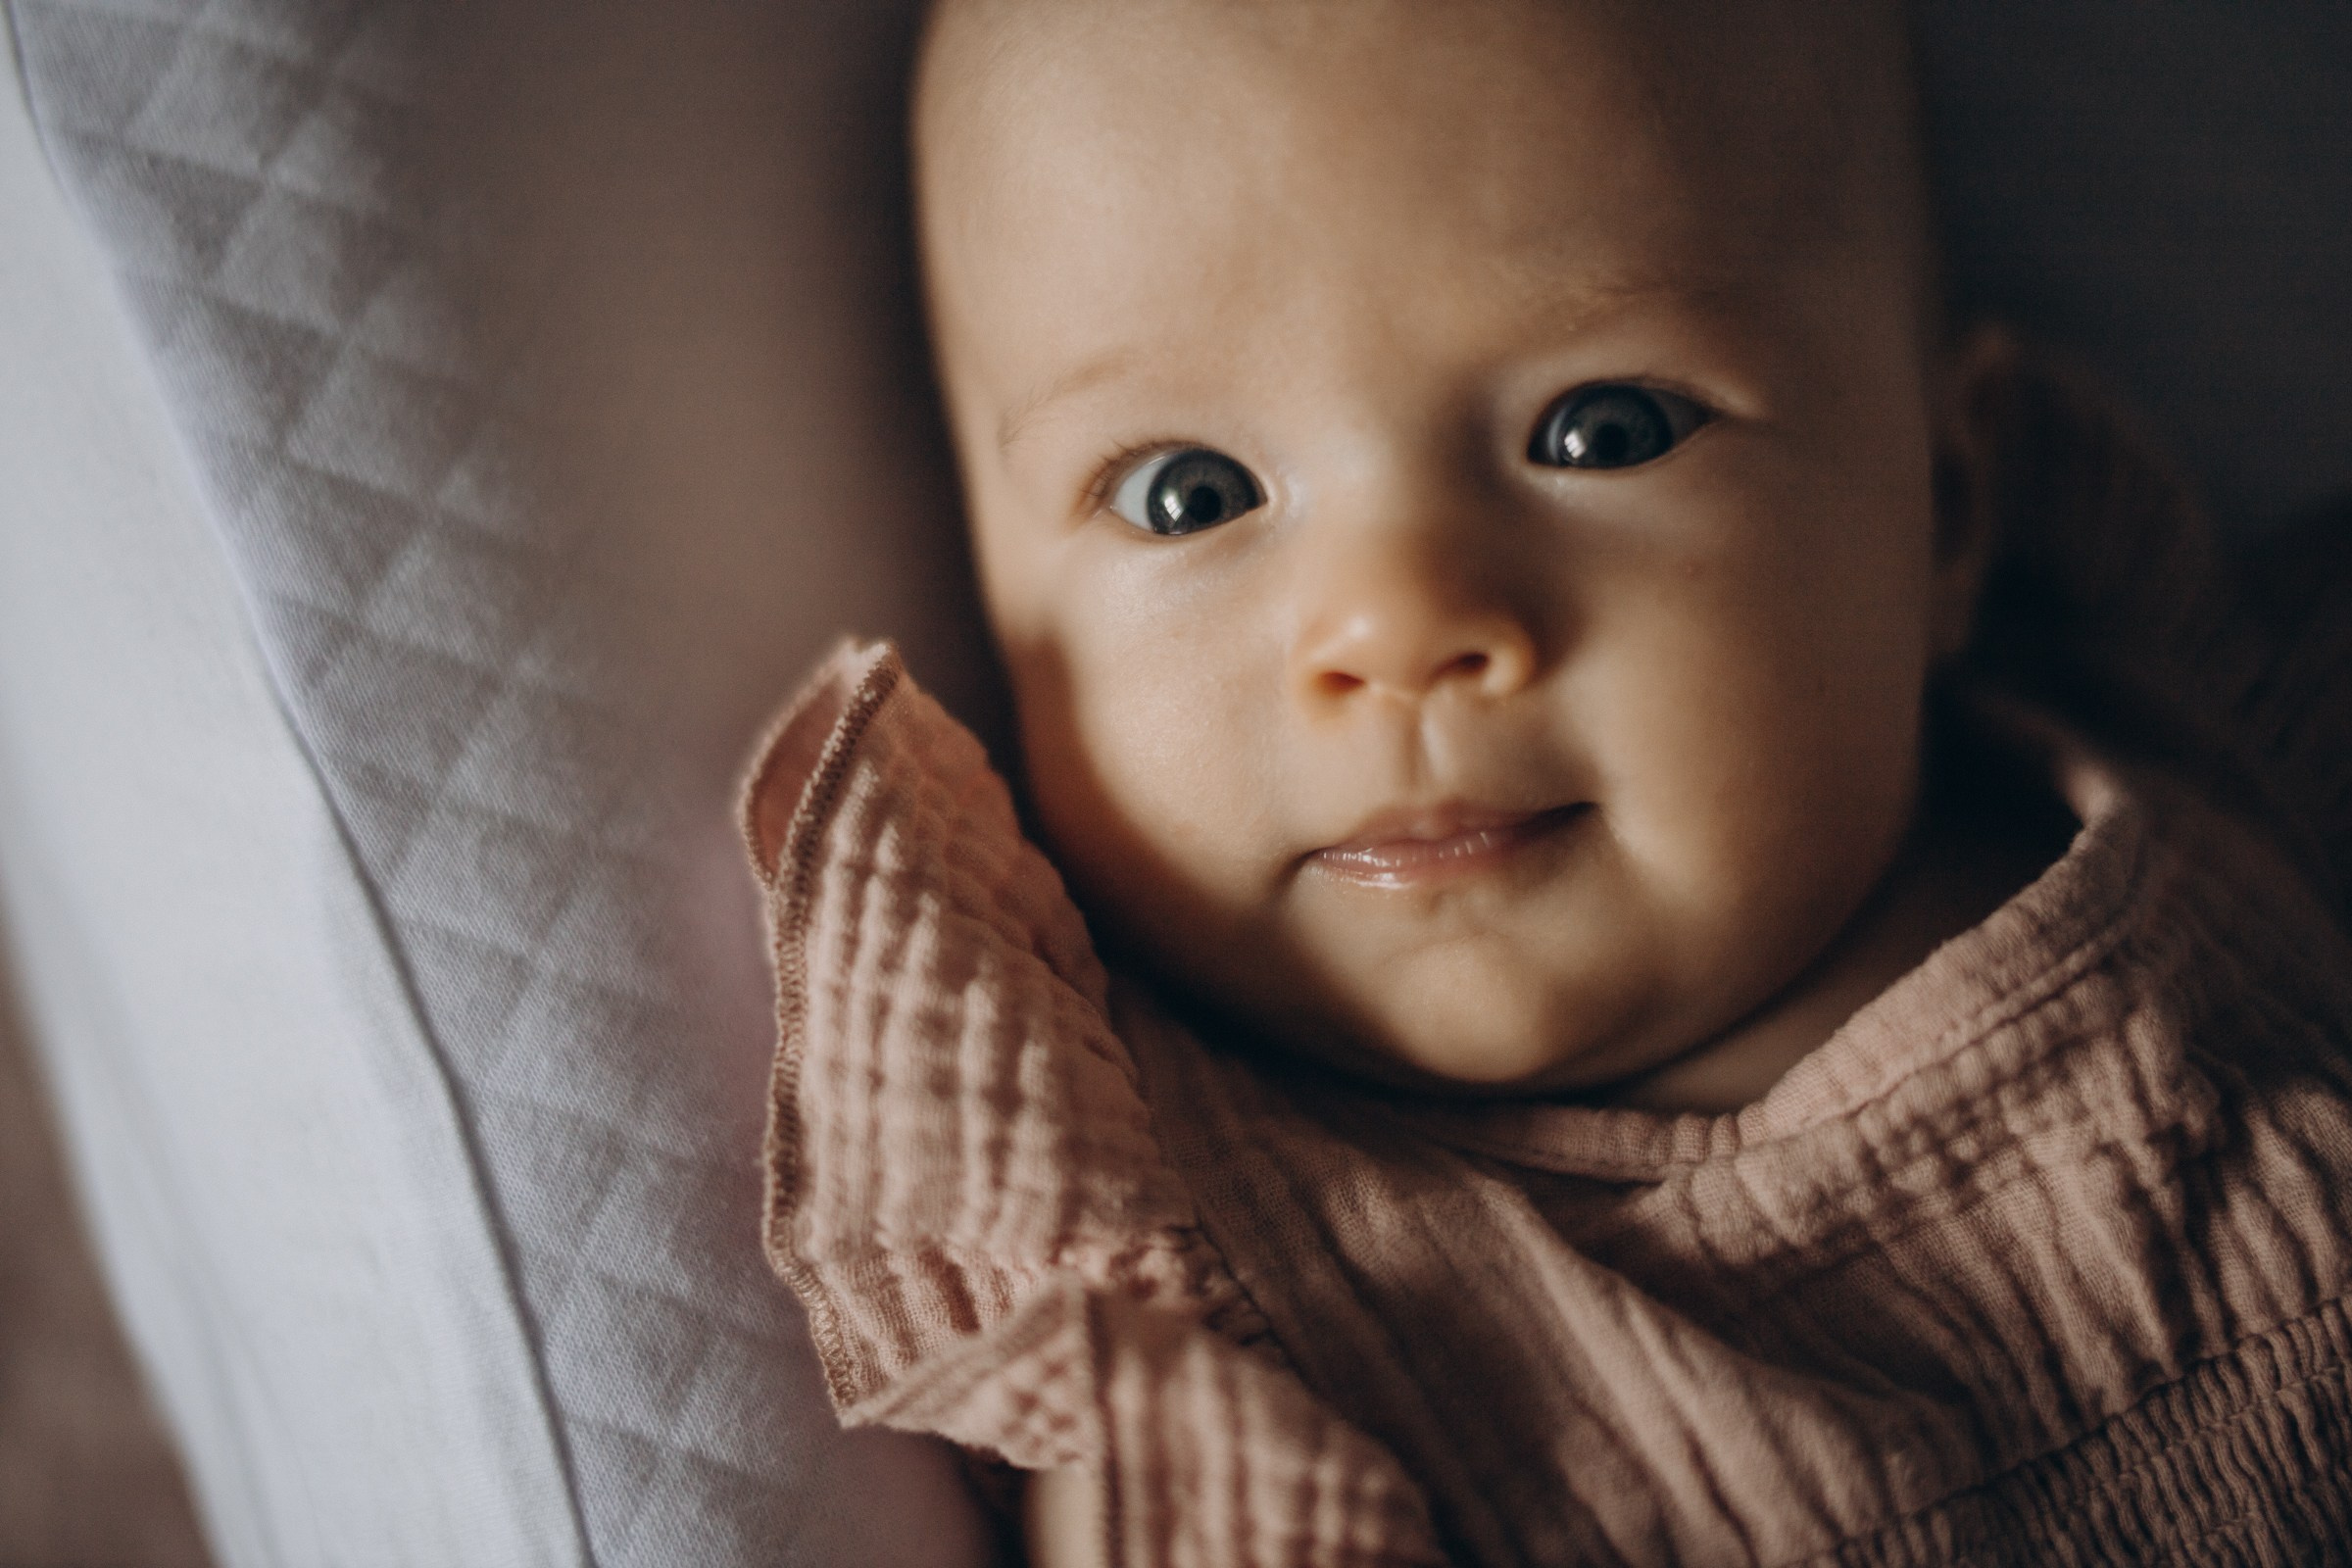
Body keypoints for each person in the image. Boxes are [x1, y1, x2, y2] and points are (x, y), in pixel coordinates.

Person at [740, 1, 2352, 1561]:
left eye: (1605, 429)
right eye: (1187, 494)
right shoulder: (1174, 1297)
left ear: (1945, 501)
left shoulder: (2198, 731)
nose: (1399, 628)